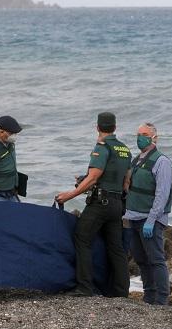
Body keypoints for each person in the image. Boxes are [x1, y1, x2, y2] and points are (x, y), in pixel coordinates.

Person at [55, 112, 132, 297]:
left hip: (100, 204)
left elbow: (93, 178)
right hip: (116, 204)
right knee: (116, 248)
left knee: (82, 238)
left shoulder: (102, 148)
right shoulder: (125, 150)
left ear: (97, 127)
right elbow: (126, 183)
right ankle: (121, 292)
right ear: (115, 127)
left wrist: (69, 195)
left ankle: (84, 287)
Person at [124, 122, 172, 305]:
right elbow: (128, 185)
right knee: (141, 260)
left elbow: (162, 194)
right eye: (138, 134)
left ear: (154, 137)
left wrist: (152, 220)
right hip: (133, 217)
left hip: (151, 219)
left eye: (144, 134)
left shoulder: (162, 162)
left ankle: (161, 300)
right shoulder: (136, 160)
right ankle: (149, 295)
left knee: (156, 260)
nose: (140, 137)